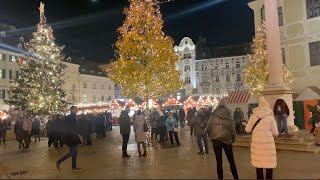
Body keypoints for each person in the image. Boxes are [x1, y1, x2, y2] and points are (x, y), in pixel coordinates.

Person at [245, 97, 279, 180]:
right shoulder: (270, 118)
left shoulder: (253, 116)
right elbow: (276, 133)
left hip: (257, 145)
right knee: (269, 166)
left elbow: (247, 130)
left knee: (259, 165)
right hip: (268, 146)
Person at [206, 97, 239, 180]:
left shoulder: (214, 114)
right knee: (231, 160)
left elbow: (208, 126)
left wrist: (211, 136)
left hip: (216, 140)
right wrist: (233, 139)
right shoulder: (228, 114)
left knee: (219, 162)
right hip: (227, 140)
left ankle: (220, 178)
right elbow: (232, 128)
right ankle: (236, 177)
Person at [56, 106, 82, 172]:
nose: (77, 110)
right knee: (72, 152)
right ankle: (59, 161)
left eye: (77, 109)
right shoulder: (69, 117)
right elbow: (67, 127)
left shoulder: (74, 116)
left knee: (74, 152)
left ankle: (74, 167)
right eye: (75, 109)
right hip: (71, 137)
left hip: (73, 136)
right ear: (72, 110)